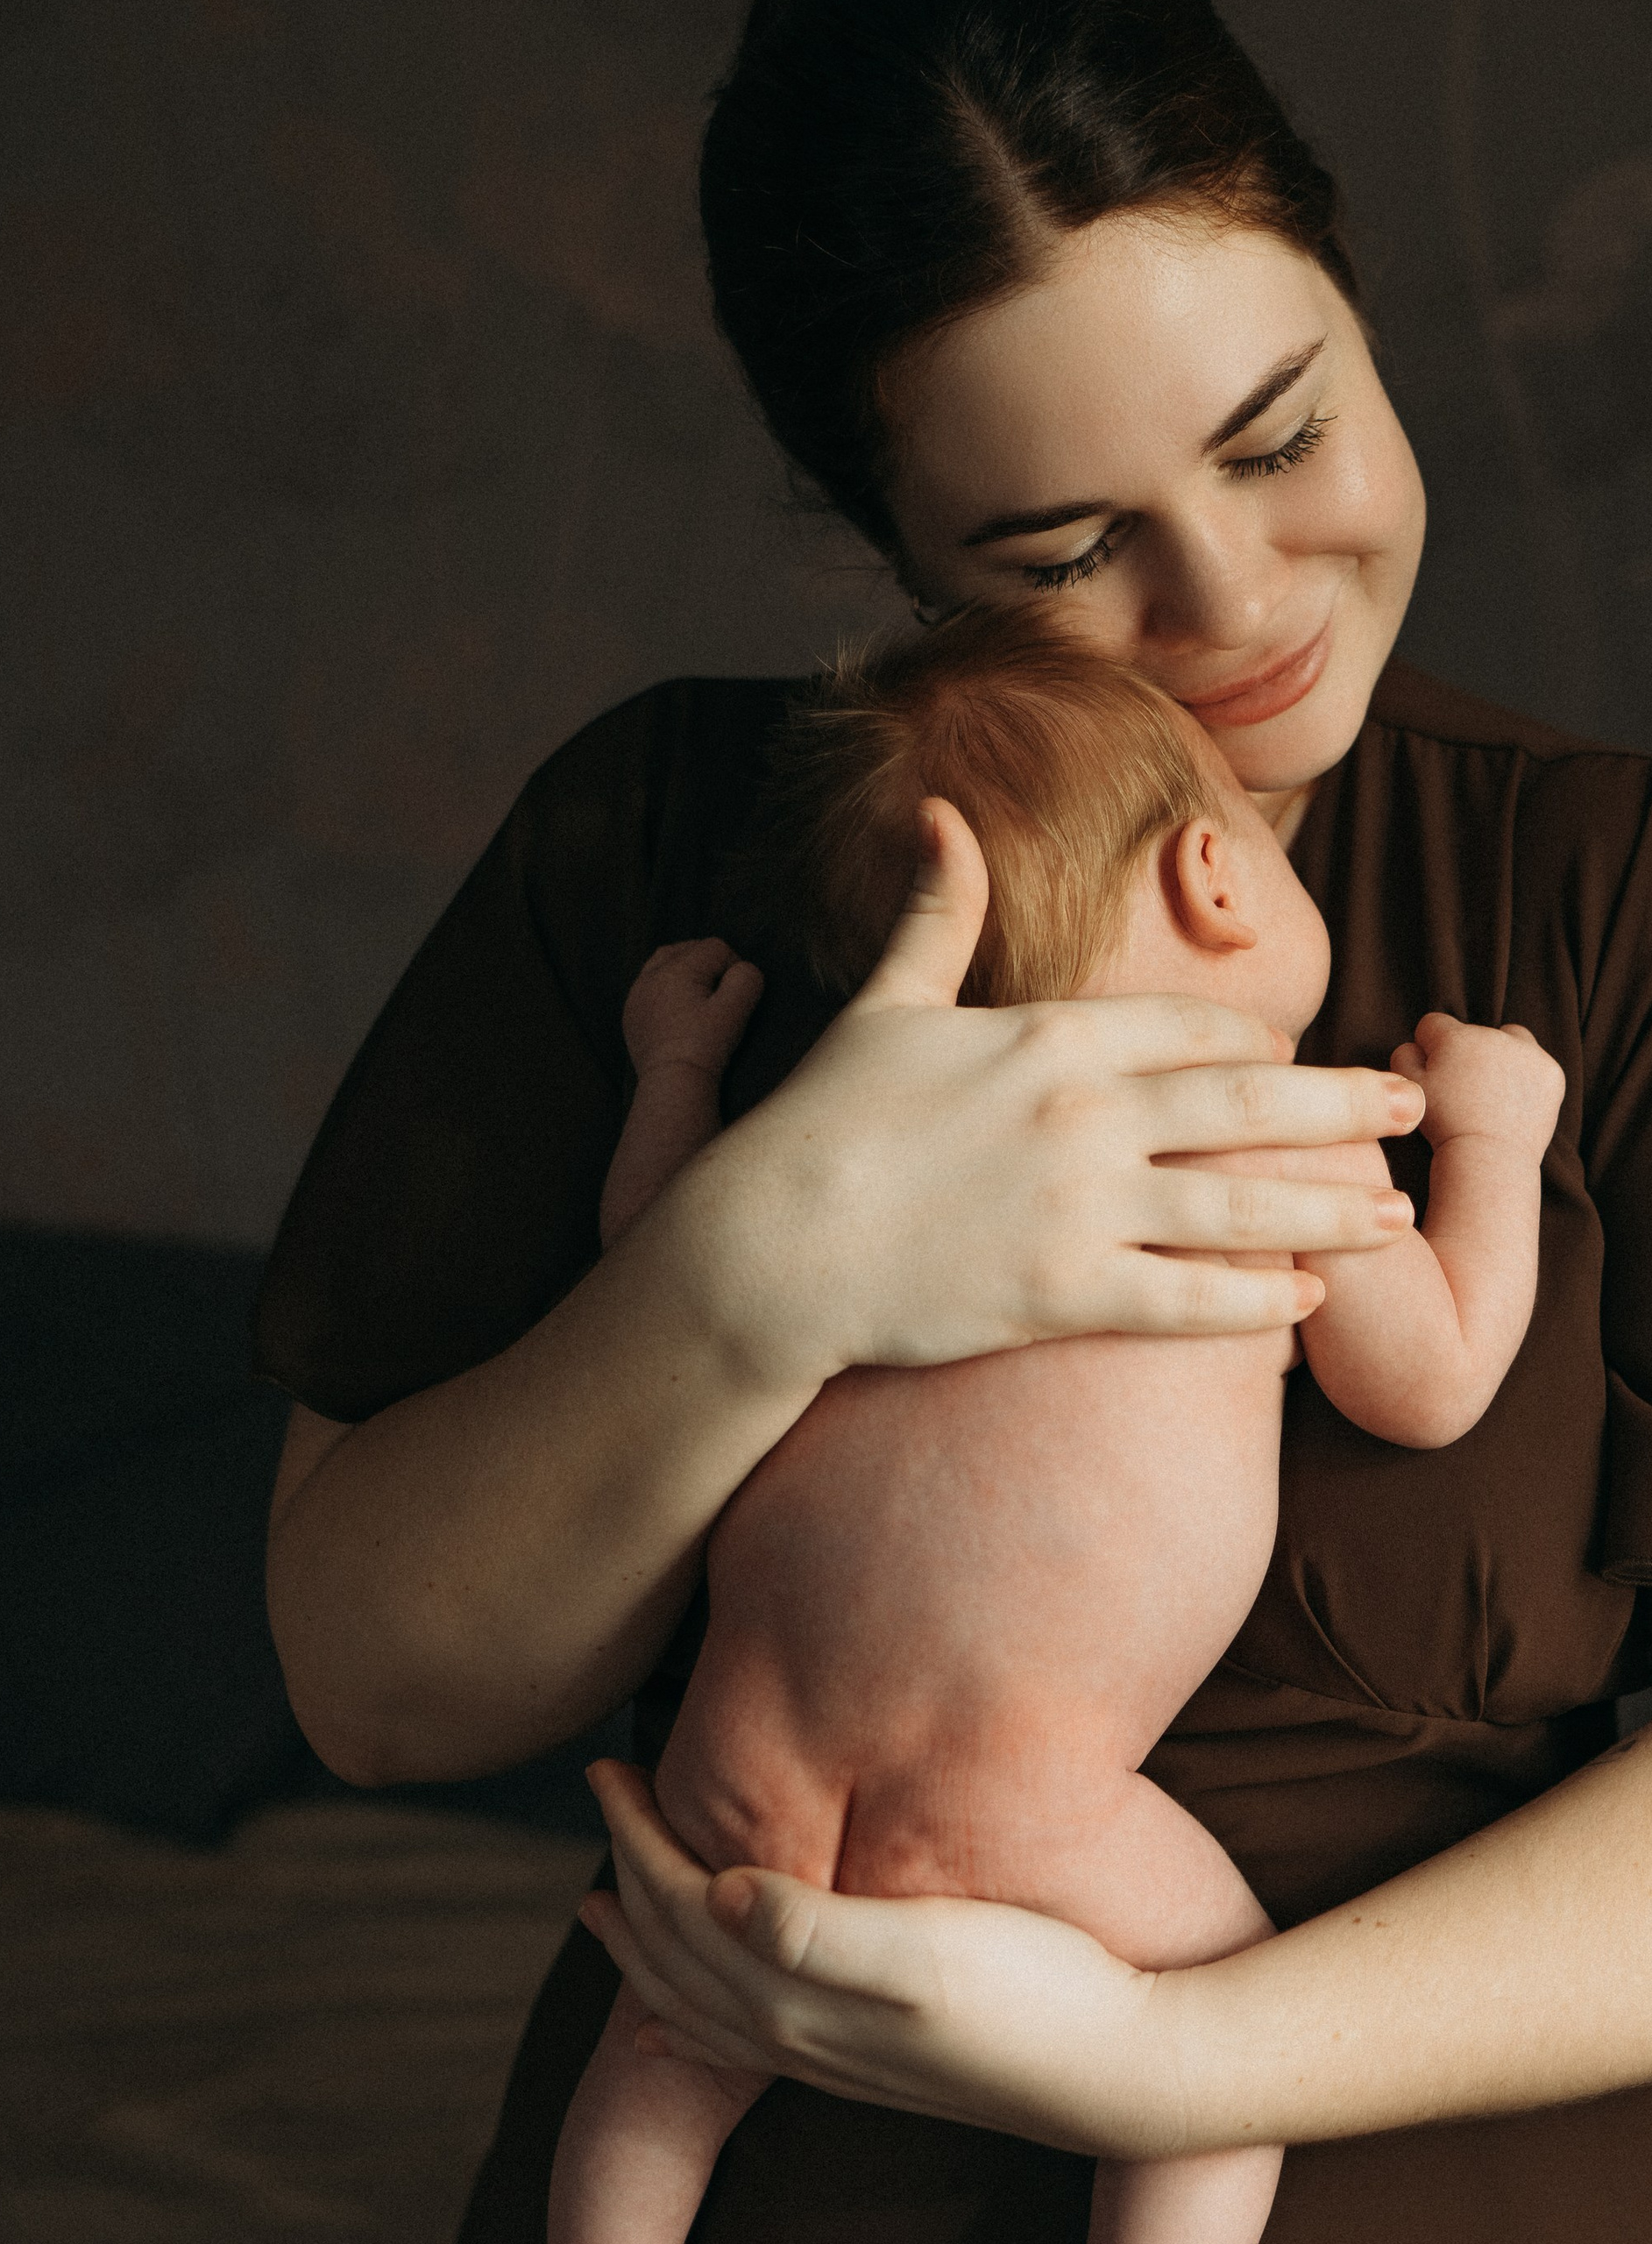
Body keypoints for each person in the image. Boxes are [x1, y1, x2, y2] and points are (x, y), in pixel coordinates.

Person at [254, 4, 1652, 2236]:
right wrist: (755, 1275)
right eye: (1057, 549)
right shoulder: (671, 854)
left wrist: (1173, 2052)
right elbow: (376, 1692)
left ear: (1354, 296)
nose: (1232, 604)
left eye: (1281, 431)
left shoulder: (1608, 896)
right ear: (892, 548)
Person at [547, 607, 1564, 2244]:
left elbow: (651, 1265)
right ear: (1218, 878)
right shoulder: (1268, 1136)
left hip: (739, 1763)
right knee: (1227, 2038)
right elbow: (1430, 1379)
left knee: (665, 2051)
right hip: (1016, 1803)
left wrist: (676, 1069)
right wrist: (1495, 1143)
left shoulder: (861, 1139)